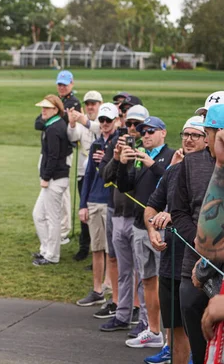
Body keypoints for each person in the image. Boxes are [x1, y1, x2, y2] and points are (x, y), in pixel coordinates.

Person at [142, 117, 206, 364]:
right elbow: (151, 206)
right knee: (175, 332)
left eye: (196, 135)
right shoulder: (173, 171)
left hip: (196, 266)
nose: (189, 139)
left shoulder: (213, 172)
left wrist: (176, 215)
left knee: (199, 331)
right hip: (170, 260)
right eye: (185, 134)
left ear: (208, 140)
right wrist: (152, 229)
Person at [171, 103, 224, 364]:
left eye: (209, 129)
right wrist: (198, 242)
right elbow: (178, 211)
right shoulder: (190, 164)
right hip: (194, 266)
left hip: (216, 271)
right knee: (200, 342)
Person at [117, 116, 175, 349]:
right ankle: (153, 331)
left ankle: (170, 339)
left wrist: (150, 164)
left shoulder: (171, 156)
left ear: (163, 133)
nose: (146, 135)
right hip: (141, 227)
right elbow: (124, 186)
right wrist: (122, 163)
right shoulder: (139, 156)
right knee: (147, 280)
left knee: (167, 283)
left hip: (163, 229)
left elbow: (172, 181)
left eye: (151, 131)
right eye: (143, 132)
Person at [99, 104, 150, 335]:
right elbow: (106, 177)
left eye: (137, 125)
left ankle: (146, 320)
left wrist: (137, 158)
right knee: (124, 270)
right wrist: (118, 158)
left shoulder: (148, 149)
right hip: (118, 214)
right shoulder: (117, 145)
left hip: (138, 218)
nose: (131, 129)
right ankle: (122, 314)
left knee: (144, 272)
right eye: (128, 123)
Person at [76, 103, 118, 307]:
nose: (104, 124)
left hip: (111, 202)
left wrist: (106, 161)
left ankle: (111, 288)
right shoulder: (95, 144)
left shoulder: (120, 144)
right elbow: (89, 176)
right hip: (94, 200)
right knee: (97, 248)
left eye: (108, 120)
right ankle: (97, 289)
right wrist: (82, 204)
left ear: (116, 121)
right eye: (101, 120)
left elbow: (117, 175)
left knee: (112, 250)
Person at [31, 95, 71, 266]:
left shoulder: (55, 128)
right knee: (38, 215)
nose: (43, 111)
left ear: (56, 110)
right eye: (42, 108)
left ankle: (52, 256)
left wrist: (45, 177)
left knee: (52, 218)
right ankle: (45, 249)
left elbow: (54, 156)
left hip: (55, 179)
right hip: (54, 178)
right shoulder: (52, 125)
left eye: (46, 108)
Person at [67, 91, 102, 261]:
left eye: (93, 103)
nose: (90, 106)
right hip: (84, 174)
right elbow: (73, 137)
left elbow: (100, 130)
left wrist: (84, 121)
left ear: (100, 104)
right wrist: (73, 123)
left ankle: (99, 250)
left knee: (98, 214)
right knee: (84, 212)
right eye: (87, 103)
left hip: (101, 176)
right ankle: (84, 246)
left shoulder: (104, 121)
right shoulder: (82, 122)